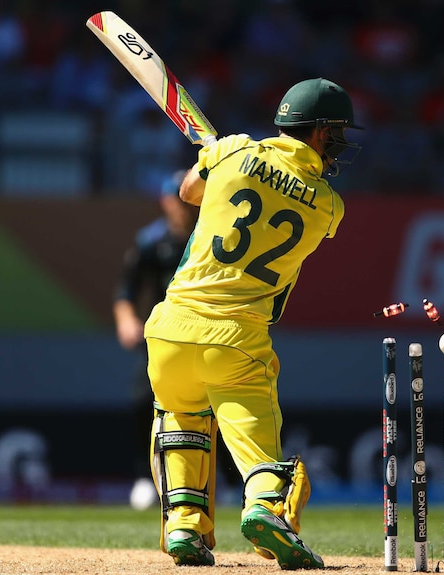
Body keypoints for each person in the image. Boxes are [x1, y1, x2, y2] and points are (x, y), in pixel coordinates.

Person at [143, 77, 362, 569]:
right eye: (339, 132)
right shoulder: (328, 207)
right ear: (322, 133)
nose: (341, 143)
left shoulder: (233, 150)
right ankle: (265, 508)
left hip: (170, 326)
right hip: (237, 337)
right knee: (258, 448)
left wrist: (216, 157)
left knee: (181, 421)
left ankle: (183, 527)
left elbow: (189, 193)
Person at [113, 169, 199, 511]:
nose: (186, 206)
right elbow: (127, 288)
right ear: (166, 201)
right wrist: (126, 319)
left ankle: (220, 480)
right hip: (163, 334)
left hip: (204, 332)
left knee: (214, 405)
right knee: (142, 400)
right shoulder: (152, 241)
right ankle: (144, 477)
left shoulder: (212, 237)